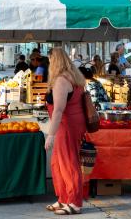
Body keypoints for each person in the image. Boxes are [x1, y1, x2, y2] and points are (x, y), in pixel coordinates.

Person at [45, 47, 86, 215]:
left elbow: (58, 110)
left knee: (69, 164)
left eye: (49, 60)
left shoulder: (61, 80)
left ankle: (75, 202)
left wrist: (51, 135)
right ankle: (63, 198)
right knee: (58, 163)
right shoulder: (74, 76)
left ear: (54, 61)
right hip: (73, 123)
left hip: (66, 125)